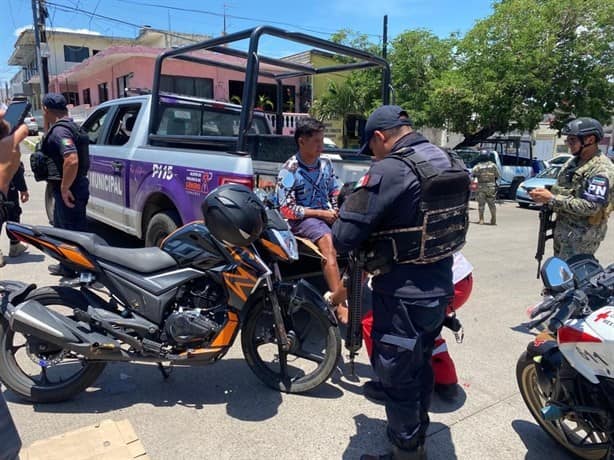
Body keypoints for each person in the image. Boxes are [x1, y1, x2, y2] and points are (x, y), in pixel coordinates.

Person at [332, 105, 469, 460]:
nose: (372, 155)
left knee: (397, 376)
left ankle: (407, 450)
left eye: (371, 148)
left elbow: (344, 236)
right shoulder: (449, 159)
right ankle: (417, 433)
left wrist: (349, 204)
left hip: (402, 294)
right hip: (440, 285)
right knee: (420, 363)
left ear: (381, 136)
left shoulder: (391, 169)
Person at [361, 252, 473, 403]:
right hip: (458, 277)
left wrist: (337, 299)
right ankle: (445, 378)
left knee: (372, 323)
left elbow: (359, 266)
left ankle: (389, 383)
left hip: (441, 283)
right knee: (428, 328)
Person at [276, 117, 347, 323]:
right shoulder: (289, 170)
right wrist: (321, 214)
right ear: (301, 141)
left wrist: (338, 208)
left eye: (322, 140)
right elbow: (286, 209)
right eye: (316, 141)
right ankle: (338, 304)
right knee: (327, 242)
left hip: (326, 215)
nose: (321, 146)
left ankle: (349, 290)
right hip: (302, 220)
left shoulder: (326, 163)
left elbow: (335, 189)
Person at [530, 118, 614, 260]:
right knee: (558, 276)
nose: (568, 144)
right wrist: (545, 194)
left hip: (581, 239)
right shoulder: (573, 162)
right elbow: (563, 188)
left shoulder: (601, 170)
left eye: (572, 140)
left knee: (572, 279)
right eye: (568, 140)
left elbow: (591, 206)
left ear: (590, 140)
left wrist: (551, 198)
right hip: (563, 232)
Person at [39, 93, 90, 276]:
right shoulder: (68, 126)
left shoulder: (61, 131)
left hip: (70, 189)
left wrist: (65, 187)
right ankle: (67, 267)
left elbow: (71, 160)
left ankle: (85, 272)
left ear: (46, 109)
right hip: (74, 186)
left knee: (73, 234)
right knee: (64, 231)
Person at [0, 162, 28, 266]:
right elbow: (16, 169)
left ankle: (15, 245)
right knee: (13, 216)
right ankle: (15, 245)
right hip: (8, 188)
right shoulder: (8, 148)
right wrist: (23, 190)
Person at [471, 152, 499, 225]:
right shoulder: (493, 165)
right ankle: (493, 219)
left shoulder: (478, 166)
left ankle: (481, 219)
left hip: (481, 187)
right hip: (491, 187)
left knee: (481, 204)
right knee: (492, 204)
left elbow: (473, 174)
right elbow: (497, 175)